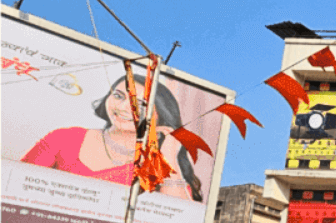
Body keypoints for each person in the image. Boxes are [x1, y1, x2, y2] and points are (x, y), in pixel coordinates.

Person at [21, 74, 202, 200]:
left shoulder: (157, 165)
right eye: (118, 96)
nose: (124, 107)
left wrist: (169, 157)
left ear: (160, 115)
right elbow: (15, 184)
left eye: (140, 104)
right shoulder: (64, 138)